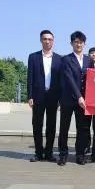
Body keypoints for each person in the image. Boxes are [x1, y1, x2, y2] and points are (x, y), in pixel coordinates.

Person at [27, 29, 62, 162]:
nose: (47, 41)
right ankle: (38, 153)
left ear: (53, 41)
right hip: (38, 96)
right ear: (41, 40)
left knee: (51, 126)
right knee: (37, 125)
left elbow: (61, 80)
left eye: (50, 39)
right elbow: (30, 77)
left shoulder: (59, 59)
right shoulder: (33, 57)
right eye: (45, 39)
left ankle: (49, 153)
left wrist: (60, 98)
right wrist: (30, 96)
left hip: (53, 96)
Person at [58, 31, 91, 166]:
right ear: (71, 43)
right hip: (68, 99)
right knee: (64, 128)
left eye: (81, 42)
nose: (78, 44)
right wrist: (79, 96)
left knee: (82, 128)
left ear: (84, 44)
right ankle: (63, 154)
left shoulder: (88, 60)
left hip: (84, 101)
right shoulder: (66, 59)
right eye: (76, 42)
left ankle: (80, 155)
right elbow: (69, 79)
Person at [85, 47, 95, 155]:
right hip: (86, 102)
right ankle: (86, 146)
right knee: (86, 126)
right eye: (91, 53)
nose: (93, 55)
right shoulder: (85, 67)